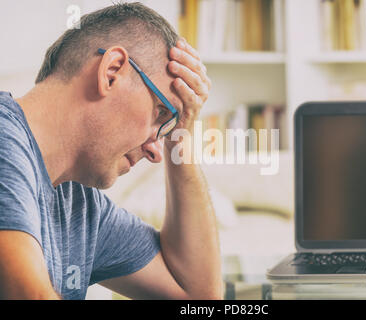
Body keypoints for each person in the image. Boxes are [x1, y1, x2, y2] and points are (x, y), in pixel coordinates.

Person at [0, 2, 222, 300]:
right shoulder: (4, 137)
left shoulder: (81, 207)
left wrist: (180, 137)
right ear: (112, 72)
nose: (157, 153)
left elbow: (199, 298)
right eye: (161, 113)